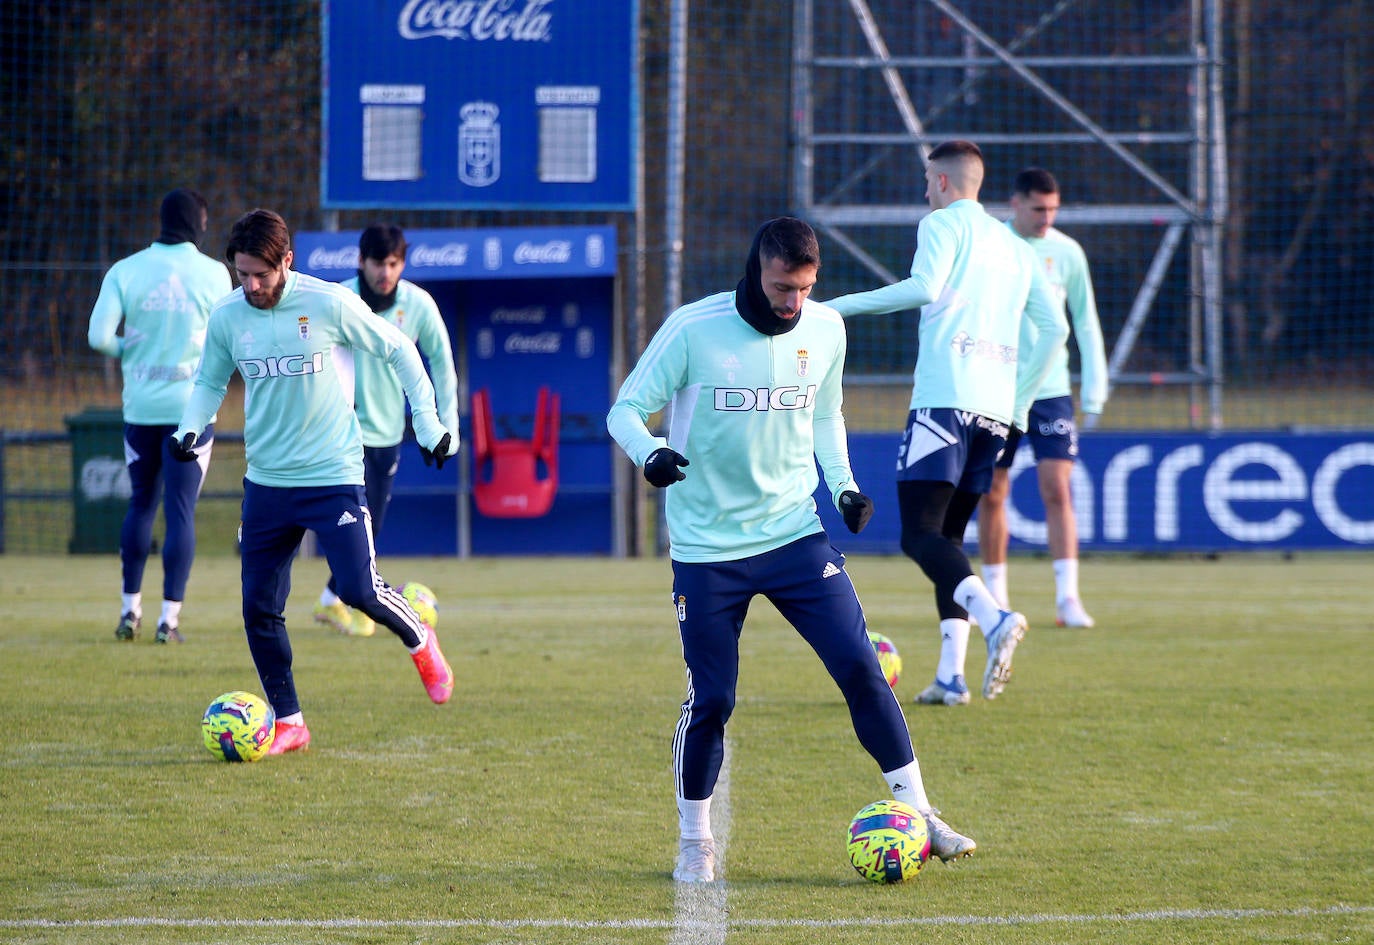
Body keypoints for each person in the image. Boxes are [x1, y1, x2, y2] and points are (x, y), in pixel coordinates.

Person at [607, 216, 976, 884]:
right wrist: (650, 452)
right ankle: (695, 840)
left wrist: (845, 487)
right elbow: (625, 409)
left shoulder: (825, 328)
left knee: (862, 667)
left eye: (805, 288)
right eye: (783, 286)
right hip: (707, 548)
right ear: (757, 269)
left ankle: (921, 812)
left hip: (793, 534)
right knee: (713, 697)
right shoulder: (694, 327)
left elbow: (826, 415)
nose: (793, 302)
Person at [171, 209, 458, 755]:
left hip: (333, 475)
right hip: (267, 483)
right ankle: (290, 722)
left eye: (261, 274)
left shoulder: (327, 303)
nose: (251, 286)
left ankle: (420, 637)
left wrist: (428, 423)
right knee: (258, 606)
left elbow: (398, 350)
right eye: (242, 275)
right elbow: (210, 380)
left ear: (287, 262)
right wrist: (190, 428)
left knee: (356, 589)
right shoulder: (229, 315)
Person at [824, 140, 1068, 707]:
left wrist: (836, 307)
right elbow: (1054, 332)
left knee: (918, 533)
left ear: (940, 182)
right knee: (950, 541)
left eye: (926, 179)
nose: (924, 189)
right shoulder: (1016, 247)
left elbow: (924, 289)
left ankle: (995, 616)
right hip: (996, 413)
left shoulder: (940, 225)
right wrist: (1020, 401)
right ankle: (951, 676)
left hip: (943, 402)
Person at [87, 188, 233, 644]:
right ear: (200, 224)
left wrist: (128, 348)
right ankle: (168, 621)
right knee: (181, 513)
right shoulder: (214, 275)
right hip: (192, 411)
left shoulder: (125, 270)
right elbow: (226, 340)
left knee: (141, 506)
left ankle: (129, 612)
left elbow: (97, 336)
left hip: (142, 410)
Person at [312, 224, 459, 638]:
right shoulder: (338, 300)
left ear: (402, 263)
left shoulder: (419, 305)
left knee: (369, 524)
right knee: (351, 524)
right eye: (378, 263)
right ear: (361, 261)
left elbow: (443, 368)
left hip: (388, 434)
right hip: (339, 434)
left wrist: (444, 429)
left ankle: (332, 600)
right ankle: (356, 603)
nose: (385, 272)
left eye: (394, 263)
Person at [977, 168, 1109, 629]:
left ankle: (1067, 598)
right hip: (999, 387)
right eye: (1038, 208)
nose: (1046, 218)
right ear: (1015, 204)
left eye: (1053, 209)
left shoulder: (1067, 252)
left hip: (1051, 390)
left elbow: (1086, 321)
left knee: (1057, 488)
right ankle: (995, 597)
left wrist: (1094, 388)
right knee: (992, 492)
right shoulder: (992, 244)